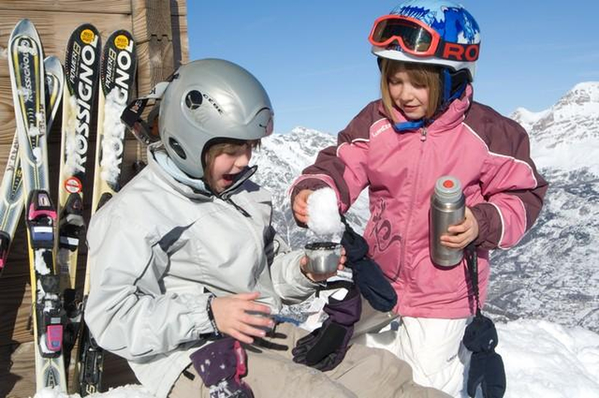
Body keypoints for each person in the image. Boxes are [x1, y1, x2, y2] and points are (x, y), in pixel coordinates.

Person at [84, 58, 449, 398]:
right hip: (194, 357)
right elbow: (110, 318)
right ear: (189, 141)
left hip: (260, 334)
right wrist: (209, 312)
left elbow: (267, 279)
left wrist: (303, 271)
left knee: (384, 375)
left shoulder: (243, 195)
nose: (244, 160)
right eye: (230, 148)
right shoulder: (134, 213)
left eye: (250, 146)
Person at [290, 1, 548, 396]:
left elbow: (523, 194)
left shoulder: (491, 133)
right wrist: (315, 191)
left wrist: (483, 221)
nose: (403, 94)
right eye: (394, 80)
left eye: (419, 83)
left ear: (454, 78)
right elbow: (343, 163)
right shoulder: (376, 123)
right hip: (380, 276)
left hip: (444, 288)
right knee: (345, 355)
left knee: (424, 380)